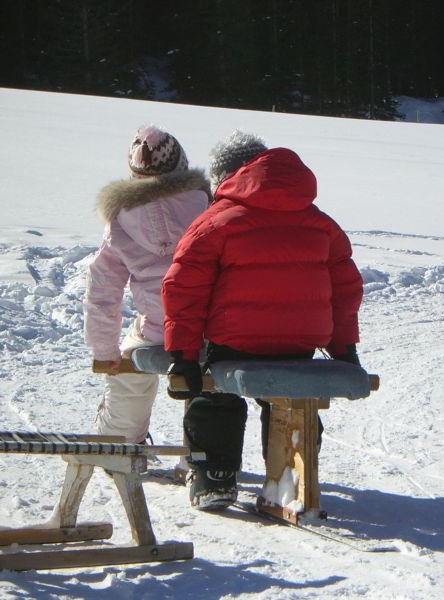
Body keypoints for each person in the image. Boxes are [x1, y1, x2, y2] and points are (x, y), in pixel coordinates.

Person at [162, 131, 363, 511]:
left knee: (215, 393)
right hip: (300, 346)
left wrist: (184, 355)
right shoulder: (323, 224)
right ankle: (292, 471)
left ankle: (215, 475)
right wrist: (344, 350)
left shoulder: (216, 221)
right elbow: (346, 292)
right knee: (292, 395)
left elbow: (183, 290)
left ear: (228, 177)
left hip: (235, 342)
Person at [84, 125, 210, 443]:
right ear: (180, 167)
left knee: (128, 367)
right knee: (209, 378)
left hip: (157, 330)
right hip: (205, 333)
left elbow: (103, 289)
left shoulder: (122, 218)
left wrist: (104, 350)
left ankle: (120, 444)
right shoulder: (208, 207)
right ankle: (204, 457)